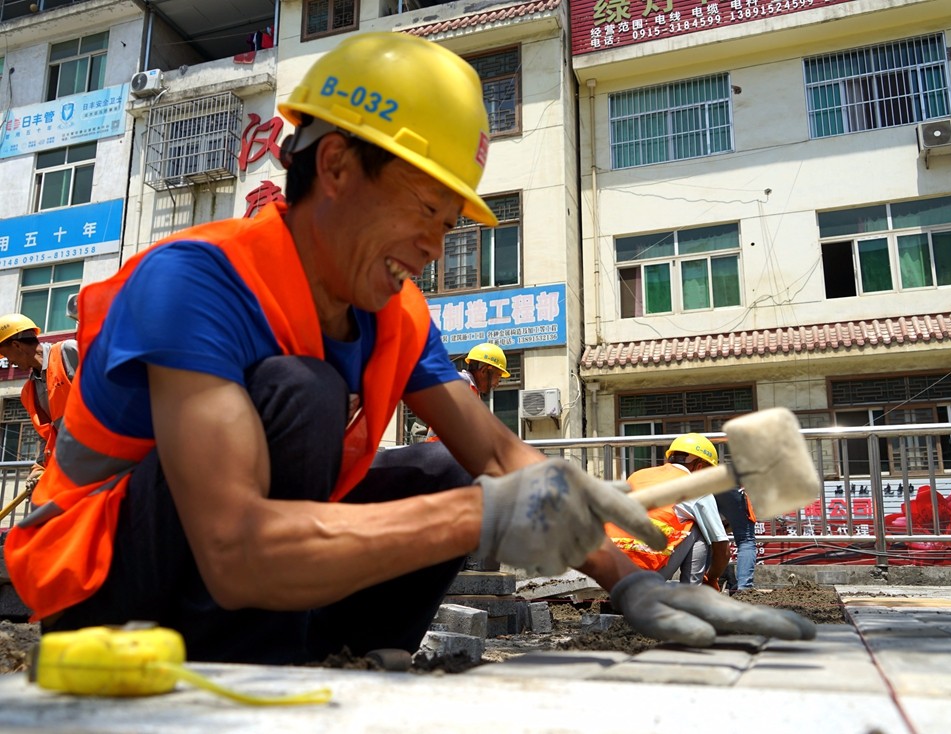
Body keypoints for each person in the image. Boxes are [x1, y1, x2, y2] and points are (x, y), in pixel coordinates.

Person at [4, 32, 814, 664]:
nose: (435, 245)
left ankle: (352, 655)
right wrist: (475, 519)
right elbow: (235, 551)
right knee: (304, 391)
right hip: (98, 583)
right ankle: (251, 672)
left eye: (450, 224)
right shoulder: (198, 281)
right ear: (337, 166)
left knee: (444, 465)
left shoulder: (394, 311)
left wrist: (629, 578)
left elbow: (497, 456)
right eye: (426, 208)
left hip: (242, 574)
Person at [608, 433, 730, 590]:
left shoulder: (638, 475)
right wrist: (712, 579)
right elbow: (722, 548)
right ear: (699, 467)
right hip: (644, 576)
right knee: (698, 526)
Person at [0, 314, 79, 490]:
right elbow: (47, 435)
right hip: (76, 468)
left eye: (6, 355)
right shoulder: (29, 391)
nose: (9, 362)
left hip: (108, 457)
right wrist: (40, 466)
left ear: (17, 345)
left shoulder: (69, 352)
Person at [424, 341, 508, 441]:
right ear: (484, 371)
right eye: (498, 376)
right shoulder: (460, 382)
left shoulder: (473, 391)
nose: (498, 383)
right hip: (439, 451)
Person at [715, 486, 758, 592]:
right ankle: (744, 588)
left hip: (702, 483)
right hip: (732, 484)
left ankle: (703, 582)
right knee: (746, 540)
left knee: (708, 537)